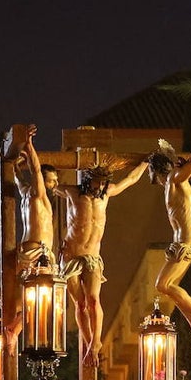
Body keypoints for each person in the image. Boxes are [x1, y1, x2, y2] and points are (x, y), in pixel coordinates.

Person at [58, 158, 148, 368]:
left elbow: (131, 179)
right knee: (79, 303)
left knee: (93, 300)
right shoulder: (72, 193)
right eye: (96, 182)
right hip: (71, 256)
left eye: (102, 182)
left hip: (92, 256)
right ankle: (88, 341)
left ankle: (95, 342)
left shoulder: (107, 193)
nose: (99, 186)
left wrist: (145, 162)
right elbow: (48, 186)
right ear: (88, 180)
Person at [147, 131, 191, 348]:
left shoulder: (174, 178)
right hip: (180, 243)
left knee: (162, 284)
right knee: (170, 285)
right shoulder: (171, 182)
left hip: (187, 242)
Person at [6, 124, 60, 346]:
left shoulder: (26, 193)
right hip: (39, 252)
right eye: (52, 180)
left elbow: (17, 176)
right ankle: (15, 333)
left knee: (23, 299)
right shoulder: (39, 195)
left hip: (27, 249)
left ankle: (12, 332)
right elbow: (36, 170)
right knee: (38, 303)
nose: (54, 184)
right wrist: (29, 145)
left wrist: (14, 165)